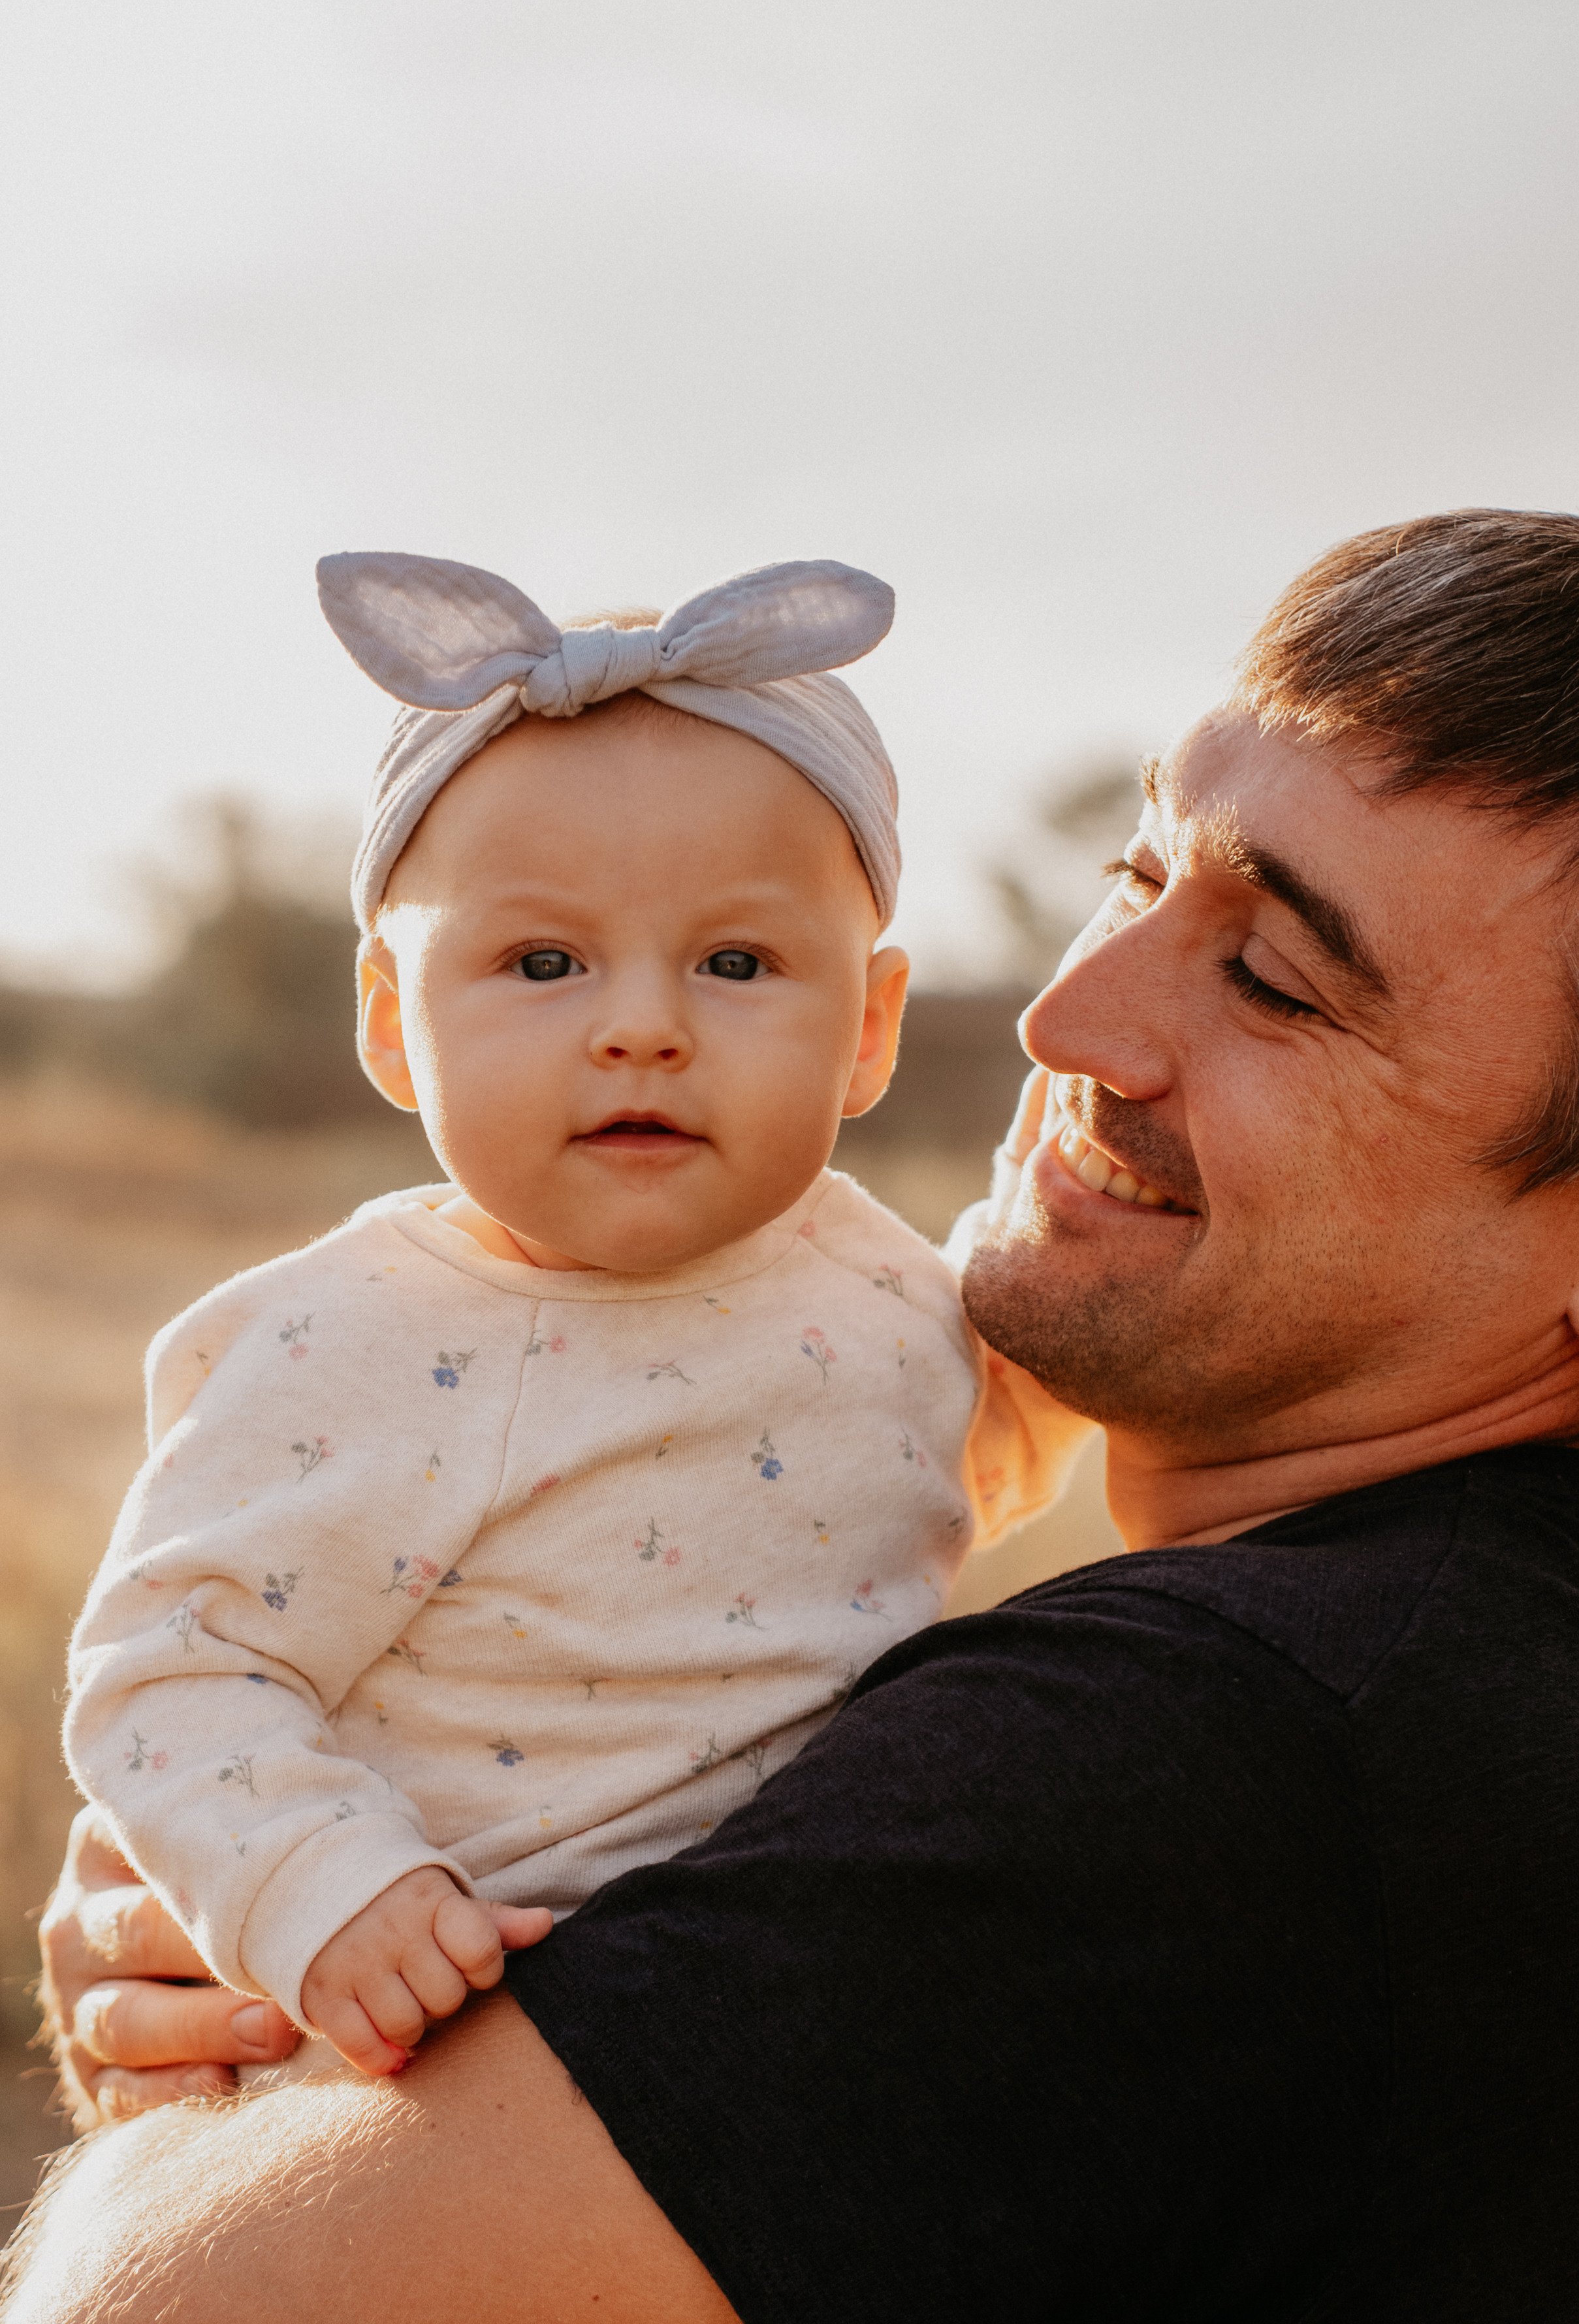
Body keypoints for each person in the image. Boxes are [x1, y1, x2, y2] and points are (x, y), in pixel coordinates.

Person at [12, 508, 1579, 2321]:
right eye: (1141, 874)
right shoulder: (1471, 1663)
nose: (1068, 1019)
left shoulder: (1214, 1759)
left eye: (1276, 982)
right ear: (391, 1016)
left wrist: (174, 2120)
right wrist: (248, 1884)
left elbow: (160, 2307)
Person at [61, 554, 1081, 2080]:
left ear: (867, 1031)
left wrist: (1069, 1283)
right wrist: (328, 1888)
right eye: (542, 962)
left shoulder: (889, 1294)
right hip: (429, 2032)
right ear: (395, 1025)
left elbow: (972, 1458)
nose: (643, 1026)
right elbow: (173, 1668)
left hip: (772, 2038)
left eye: (737, 963)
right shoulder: (361, 1341)